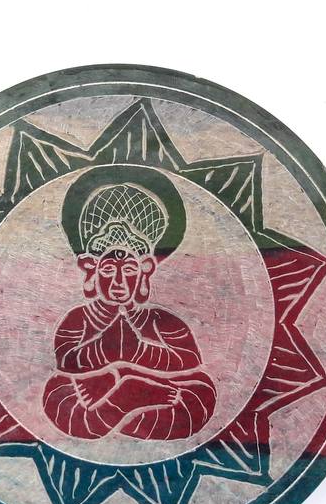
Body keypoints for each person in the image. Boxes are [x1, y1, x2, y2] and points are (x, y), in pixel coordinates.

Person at [43, 177, 216, 440]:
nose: (119, 282)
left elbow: (189, 361)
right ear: (91, 269)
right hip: (96, 391)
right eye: (108, 270)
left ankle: (129, 395)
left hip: (147, 393)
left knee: (201, 392)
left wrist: (135, 353)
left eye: (130, 270)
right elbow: (65, 361)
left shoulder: (159, 318)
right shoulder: (79, 318)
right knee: (58, 394)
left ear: (145, 270)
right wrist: (109, 354)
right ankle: (127, 396)